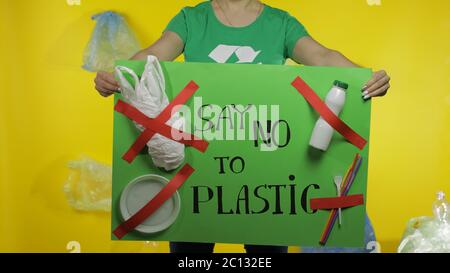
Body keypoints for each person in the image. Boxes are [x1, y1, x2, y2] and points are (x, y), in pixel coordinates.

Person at [94, 0, 390, 253]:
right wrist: (120, 76)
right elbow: (154, 55)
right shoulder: (191, 19)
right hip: (199, 162)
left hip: (263, 168)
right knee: (191, 253)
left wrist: (365, 78)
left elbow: (323, 56)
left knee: (266, 253)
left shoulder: (280, 23)